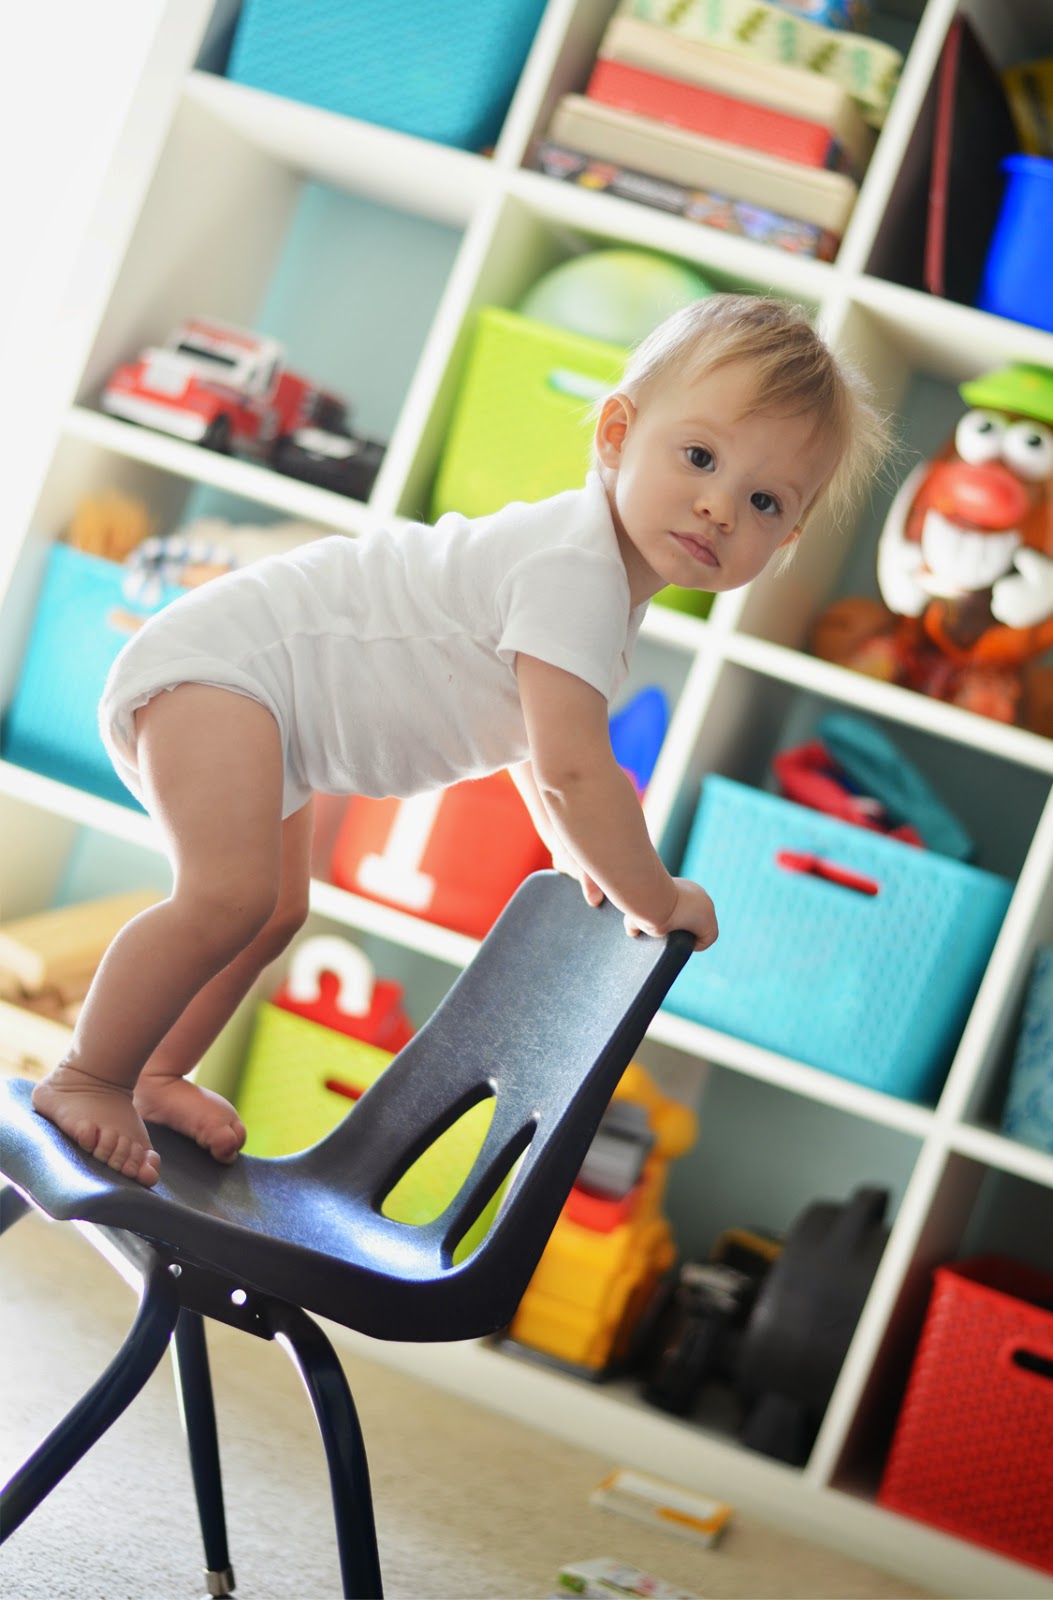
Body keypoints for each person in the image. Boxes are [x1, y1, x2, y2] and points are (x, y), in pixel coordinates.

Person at [32, 293, 890, 1186]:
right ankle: (89, 1075)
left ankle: (157, 1074)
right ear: (617, 434)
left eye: (762, 501)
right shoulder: (573, 570)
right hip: (230, 677)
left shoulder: (599, 586)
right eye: (700, 458)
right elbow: (572, 769)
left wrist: (575, 853)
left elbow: (527, 743)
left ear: (786, 540)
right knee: (228, 896)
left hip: (263, 704)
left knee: (273, 908)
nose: (718, 508)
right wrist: (651, 892)